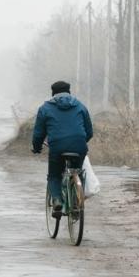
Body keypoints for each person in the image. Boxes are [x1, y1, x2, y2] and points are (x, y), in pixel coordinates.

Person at [31, 80, 93, 215]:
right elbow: (89, 132)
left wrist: (37, 147)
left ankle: (57, 200)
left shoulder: (45, 108)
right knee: (77, 170)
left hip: (57, 147)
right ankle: (77, 201)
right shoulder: (80, 106)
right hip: (79, 145)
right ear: (69, 92)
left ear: (53, 93)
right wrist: (81, 142)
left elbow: (38, 133)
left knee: (54, 175)